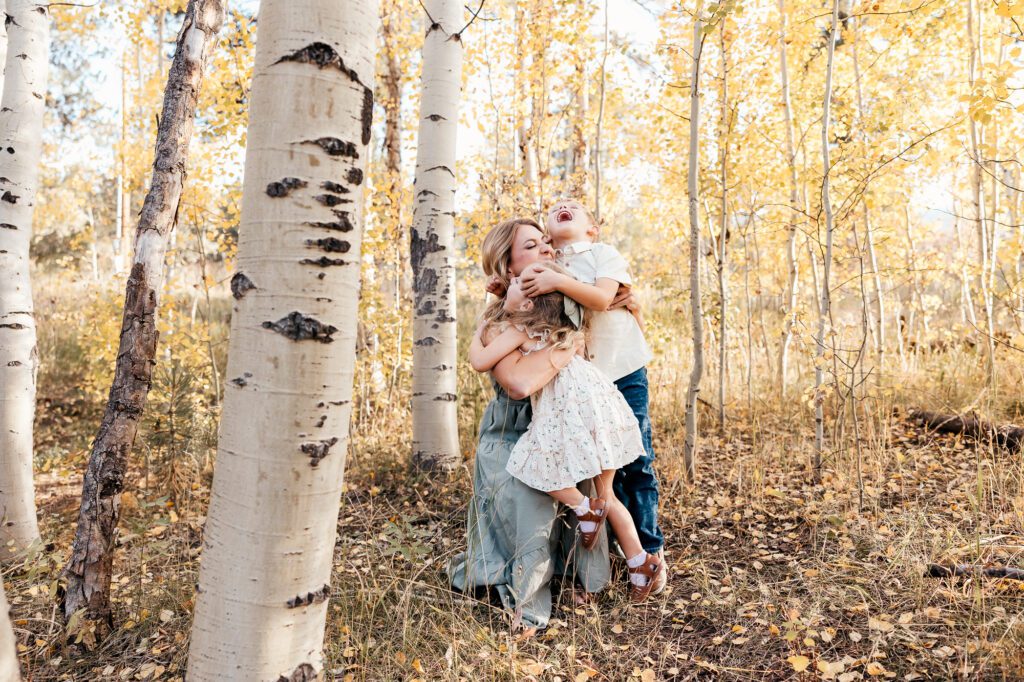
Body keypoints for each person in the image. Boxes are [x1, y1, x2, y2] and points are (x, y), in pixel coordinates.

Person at [447, 218, 610, 634]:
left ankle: (585, 583)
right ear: (507, 265)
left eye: (546, 245)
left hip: (561, 420)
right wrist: (565, 349)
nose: (545, 251)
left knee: (586, 478)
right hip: (511, 430)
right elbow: (519, 384)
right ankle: (529, 606)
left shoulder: (562, 301)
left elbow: (607, 299)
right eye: (531, 246)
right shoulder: (504, 320)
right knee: (529, 497)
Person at [469, 263, 664, 601]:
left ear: (530, 303)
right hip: (600, 404)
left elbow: (480, 360)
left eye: (520, 284)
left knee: (529, 464)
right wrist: (506, 293)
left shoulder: (519, 330)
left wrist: (481, 325)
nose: (514, 282)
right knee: (609, 496)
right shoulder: (559, 323)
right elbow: (525, 300)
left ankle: (582, 506)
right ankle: (639, 562)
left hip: (568, 408)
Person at [519, 198, 666, 593]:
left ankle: (651, 549)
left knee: (636, 459)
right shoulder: (546, 262)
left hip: (623, 367)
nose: (564, 205)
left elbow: (602, 298)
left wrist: (557, 282)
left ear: (593, 228)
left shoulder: (603, 254)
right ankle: (619, 551)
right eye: (555, 207)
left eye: (575, 207)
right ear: (546, 232)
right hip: (582, 381)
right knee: (598, 465)